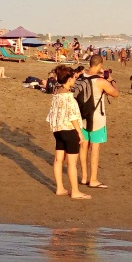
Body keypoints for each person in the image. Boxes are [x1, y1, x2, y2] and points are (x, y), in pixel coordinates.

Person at [47, 66, 89, 200]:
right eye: (74, 78)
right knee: (71, 163)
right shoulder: (68, 97)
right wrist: (80, 133)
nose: (75, 81)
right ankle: (75, 191)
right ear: (69, 79)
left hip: (57, 130)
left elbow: (52, 114)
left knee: (58, 160)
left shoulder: (56, 93)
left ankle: (60, 188)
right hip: (69, 130)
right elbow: (73, 116)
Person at [77, 55, 118, 190]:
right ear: (100, 65)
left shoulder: (81, 77)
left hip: (82, 117)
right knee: (95, 149)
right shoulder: (101, 81)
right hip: (96, 118)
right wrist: (111, 80)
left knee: (83, 147)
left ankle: (84, 177)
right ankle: (93, 179)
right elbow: (115, 93)